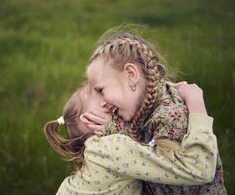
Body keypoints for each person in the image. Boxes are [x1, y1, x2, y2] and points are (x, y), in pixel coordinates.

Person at [85, 32, 226, 194]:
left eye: (101, 90)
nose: (102, 102)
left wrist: (196, 102)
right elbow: (151, 155)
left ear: (131, 75)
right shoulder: (145, 107)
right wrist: (118, 131)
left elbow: (200, 168)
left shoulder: (170, 117)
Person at [44, 81, 218, 194]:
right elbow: (197, 169)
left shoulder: (97, 150)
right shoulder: (112, 147)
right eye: (101, 92)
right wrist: (195, 100)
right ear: (89, 119)